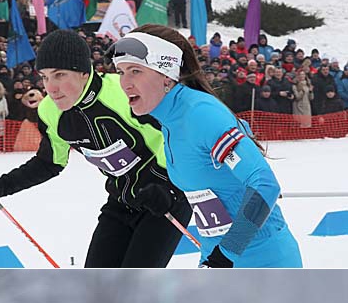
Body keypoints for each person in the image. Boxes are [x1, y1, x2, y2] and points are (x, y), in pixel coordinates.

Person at [0, 29, 192, 268]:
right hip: (120, 202)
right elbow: (49, 162)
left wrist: (169, 188)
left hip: (165, 202)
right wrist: (1, 185)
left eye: (59, 74)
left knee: (134, 289)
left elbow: (179, 136)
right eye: (44, 77)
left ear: (84, 73)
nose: (51, 87)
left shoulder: (123, 91)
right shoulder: (50, 112)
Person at [109, 24, 303, 268]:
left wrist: (228, 253)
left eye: (135, 71)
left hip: (262, 260)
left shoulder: (200, 114)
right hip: (215, 256)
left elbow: (265, 186)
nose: (125, 83)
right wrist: (169, 196)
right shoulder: (170, 120)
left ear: (167, 74)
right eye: (121, 72)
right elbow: (211, 181)